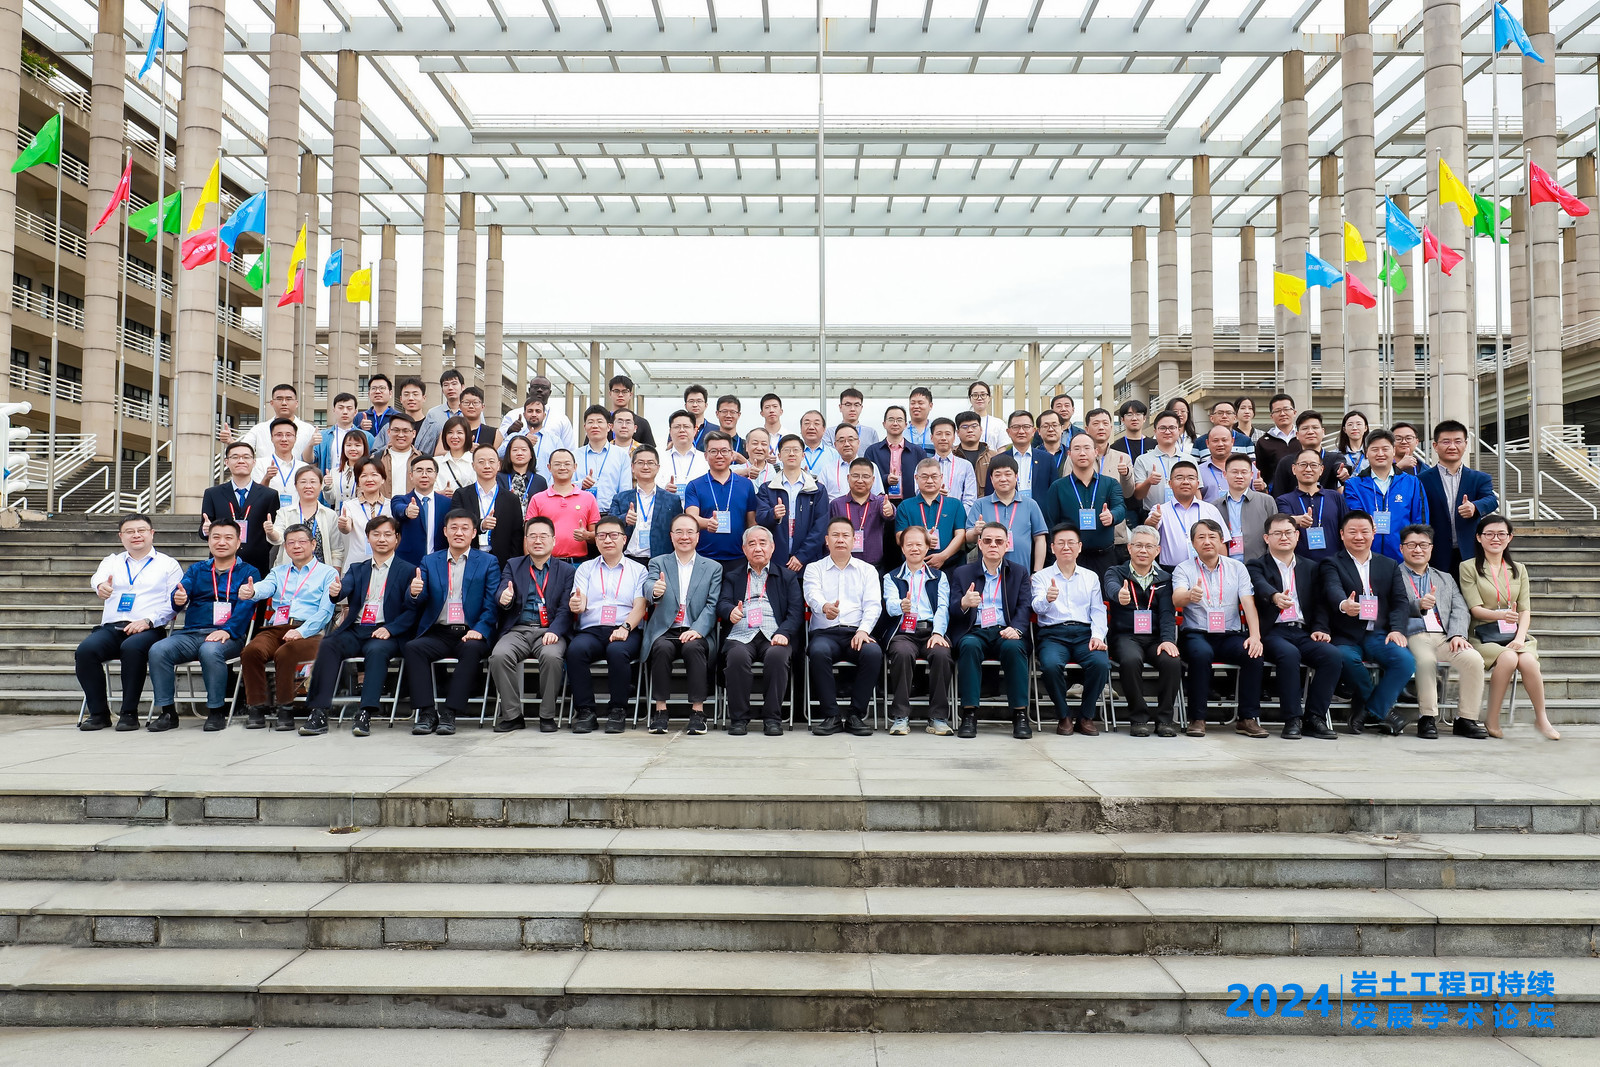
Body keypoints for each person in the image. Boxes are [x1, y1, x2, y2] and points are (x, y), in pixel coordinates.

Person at [297, 516, 417, 738]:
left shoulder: (408, 570)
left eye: (387, 534)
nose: (382, 539)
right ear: (368, 538)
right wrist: (336, 592)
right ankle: (318, 712)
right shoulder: (357, 568)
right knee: (329, 644)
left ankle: (365, 713)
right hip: (357, 628)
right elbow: (344, 587)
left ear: (397, 539)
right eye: (376, 534)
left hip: (386, 631)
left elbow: (412, 610)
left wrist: (391, 629)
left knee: (376, 651)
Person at [76, 515, 185, 732]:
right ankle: (99, 713)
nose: (136, 535)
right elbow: (97, 578)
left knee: (132, 648)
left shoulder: (168, 564)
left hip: (148, 629)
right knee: (85, 651)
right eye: (130, 531)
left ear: (151, 533)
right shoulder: (112, 561)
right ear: (121, 536)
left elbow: (173, 603)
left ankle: (129, 713)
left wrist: (148, 621)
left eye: (141, 530)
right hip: (113, 627)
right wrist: (100, 586)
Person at [147, 520, 259, 733]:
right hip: (192, 634)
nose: (221, 542)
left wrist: (227, 630)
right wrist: (178, 598)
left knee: (210, 650)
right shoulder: (197, 569)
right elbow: (181, 592)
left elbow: (246, 607)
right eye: (216, 537)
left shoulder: (248, 572)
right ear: (209, 541)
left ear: (238, 543)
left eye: (228, 538)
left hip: (229, 636)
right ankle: (168, 712)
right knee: (159, 650)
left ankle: (216, 711)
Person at [402, 509, 499, 736]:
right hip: (439, 631)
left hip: (470, 631)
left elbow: (491, 604)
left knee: (472, 649)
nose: (459, 533)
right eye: (453, 528)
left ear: (474, 533)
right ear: (445, 531)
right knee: (413, 648)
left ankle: (449, 712)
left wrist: (480, 629)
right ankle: (427, 713)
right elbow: (418, 601)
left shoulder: (488, 562)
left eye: (465, 528)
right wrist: (414, 592)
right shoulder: (430, 561)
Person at [1320, 511, 1417, 736]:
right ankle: (1382, 710)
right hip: (1345, 634)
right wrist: (1344, 604)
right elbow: (1332, 589)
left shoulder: (1389, 564)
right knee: (1344, 657)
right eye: (1352, 532)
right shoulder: (1331, 563)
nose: (1359, 537)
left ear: (1374, 533)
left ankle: (1368, 710)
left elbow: (1400, 601)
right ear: (1342, 534)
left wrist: (1397, 629)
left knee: (1405, 661)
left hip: (1378, 633)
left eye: (1364, 531)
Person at [1461, 516, 1558, 740]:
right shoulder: (1468, 567)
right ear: (1479, 538)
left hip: (1513, 634)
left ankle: (1541, 718)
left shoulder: (1519, 569)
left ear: (1510, 538)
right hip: (1482, 635)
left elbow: (1525, 610)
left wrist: (1520, 637)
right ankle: (1492, 718)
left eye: (1501, 534)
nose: (1495, 538)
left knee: (1528, 661)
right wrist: (1501, 615)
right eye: (1489, 534)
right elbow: (1475, 609)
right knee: (1508, 658)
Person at [1248, 514, 1342, 740]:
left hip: (1302, 631)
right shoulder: (1255, 565)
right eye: (1277, 533)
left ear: (1297, 536)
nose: (1284, 537)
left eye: (1288, 532)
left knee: (1332, 656)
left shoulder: (1311, 567)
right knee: (1288, 654)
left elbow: (1320, 603)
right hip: (1272, 632)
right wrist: (1274, 596)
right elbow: (1259, 585)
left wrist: (1320, 628)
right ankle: (1292, 719)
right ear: (1266, 538)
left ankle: (1314, 718)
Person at [236, 523, 338, 732]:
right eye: (291, 542)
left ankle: (285, 709)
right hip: (277, 628)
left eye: (301, 542)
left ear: (313, 544)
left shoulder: (327, 573)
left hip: (310, 632)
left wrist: (301, 631)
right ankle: (257, 707)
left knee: (285, 653)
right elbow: (266, 587)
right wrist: (252, 591)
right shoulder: (278, 572)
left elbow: (325, 612)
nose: (296, 546)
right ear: (285, 547)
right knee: (251, 651)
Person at [1172, 519, 1266, 737]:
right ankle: (1197, 718)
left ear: (1222, 540)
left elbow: (1248, 603)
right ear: (1193, 543)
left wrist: (1255, 636)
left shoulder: (1237, 568)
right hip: (1196, 634)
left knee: (1253, 654)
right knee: (1200, 654)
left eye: (1212, 537)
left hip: (1229, 635)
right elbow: (1177, 598)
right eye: (1201, 537)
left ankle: (1247, 718)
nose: (1207, 541)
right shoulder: (1184, 568)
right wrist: (1189, 595)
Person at [1395, 523, 1485, 740]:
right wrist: (1417, 605)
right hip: (1413, 634)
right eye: (1412, 545)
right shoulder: (1393, 575)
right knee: (1426, 661)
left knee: (1473, 659)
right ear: (1401, 548)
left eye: (1423, 545)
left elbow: (1460, 608)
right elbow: (1390, 607)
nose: (1418, 549)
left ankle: (1466, 719)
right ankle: (1427, 717)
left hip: (1445, 637)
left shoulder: (1445, 578)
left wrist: (1458, 634)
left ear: (1431, 548)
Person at [488, 516, 575, 732]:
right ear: (525, 540)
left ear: (553, 540)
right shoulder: (513, 565)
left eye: (543, 536)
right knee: (499, 656)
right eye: (532, 536)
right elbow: (502, 589)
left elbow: (566, 608)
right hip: (518, 629)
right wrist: (504, 598)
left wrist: (555, 630)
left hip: (549, 630)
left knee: (552, 657)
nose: (538, 541)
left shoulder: (566, 571)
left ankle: (547, 716)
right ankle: (513, 715)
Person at [949, 521, 1034, 739]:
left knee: (1014, 648)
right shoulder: (962, 573)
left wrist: (1017, 629)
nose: (993, 545)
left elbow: (1025, 606)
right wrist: (964, 603)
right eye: (987, 541)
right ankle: (969, 714)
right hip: (975, 630)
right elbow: (952, 610)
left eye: (998, 541)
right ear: (979, 544)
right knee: (968, 646)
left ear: (1007, 544)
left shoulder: (1019, 572)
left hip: (1006, 630)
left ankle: (1020, 714)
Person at [565, 516, 649, 734]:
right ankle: (585, 711)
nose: (608, 540)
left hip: (626, 628)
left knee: (617, 651)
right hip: (592, 630)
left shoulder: (639, 570)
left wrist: (625, 628)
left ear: (624, 539)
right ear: (596, 540)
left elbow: (640, 606)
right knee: (575, 650)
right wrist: (576, 604)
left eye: (613, 535)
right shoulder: (585, 568)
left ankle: (617, 710)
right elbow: (579, 599)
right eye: (601, 536)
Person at [642, 513, 723, 734]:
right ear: (671, 536)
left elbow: (712, 605)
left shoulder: (713, 567)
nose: (684, 537)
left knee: (693, 648)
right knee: (661, 648)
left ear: (698, 536)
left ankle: (698, 712)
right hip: (666, 630)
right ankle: (660, 711)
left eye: (689, 532)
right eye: (679, 532)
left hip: (696, 630)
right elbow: (649, 586)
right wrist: (655, 591)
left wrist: (697, 629)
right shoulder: (658, 562)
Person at [803, 517, 884, 736]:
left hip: (855, 632)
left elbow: (873, 605)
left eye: (845, 535)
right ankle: (831, 716)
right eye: (835, 535)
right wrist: (824, 607)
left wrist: (863, 630)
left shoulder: (867, 570)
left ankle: (856, 715)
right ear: (826, 540)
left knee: (873, 652)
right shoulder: (814, 568)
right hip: (825, 633)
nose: (840, 540)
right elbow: (812, 594)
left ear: (854, 540)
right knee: (818, 652)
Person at [720, 526, 804, 735]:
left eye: (762, 543)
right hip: (741, 634)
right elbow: (722, 602)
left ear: (772, 547)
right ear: (744, 549)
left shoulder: (787, 577)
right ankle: (739, 719)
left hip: (774, 635)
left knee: (777, 656)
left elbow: (795, 612)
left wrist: (784, 633)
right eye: (752, 544)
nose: (757, 548)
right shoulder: (733, 576)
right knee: (737, 657)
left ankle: (772, 718)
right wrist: (730, 611)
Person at [1032, 526, 1112, 735]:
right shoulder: (1041, 577)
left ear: (1079, 547)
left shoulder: (1090, 577)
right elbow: (1037, 608)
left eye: (1071, 543)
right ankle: (1064, 715)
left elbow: (1098, 610)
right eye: (1060, 543)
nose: (1066, 547)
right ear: (1052, 548)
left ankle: (1086, 716)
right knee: (1050, 666)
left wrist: (1097, 636)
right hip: (1053, 635)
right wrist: (1047, 599)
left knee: (1100, 663)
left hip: (1084, 633)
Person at [1103, 525, 1181, 736]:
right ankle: (1138, 718)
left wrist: (1168, 640)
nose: (1143, 550)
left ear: (1157, 551)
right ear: (1129, 548)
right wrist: (1118, 595)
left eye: (1149, 546)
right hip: (1126, 637)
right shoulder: (1116, 572)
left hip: (1156, 638)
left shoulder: (1165, 578)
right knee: (1130, 660)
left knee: (1172, 661)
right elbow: (1110, 586)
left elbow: (1167, 613)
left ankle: (1165, 719)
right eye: (1138, 545)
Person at [882, 524, 953, 736]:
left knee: (942, 654)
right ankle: (900, 717)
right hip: (904, 631)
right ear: (902, 548)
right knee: (902, 653)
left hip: (931, 629)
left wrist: (938, 633)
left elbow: (943, 607)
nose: (914, 548)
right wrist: (901, 606)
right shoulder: (891, 577)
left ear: (927, 547)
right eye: (909, 544)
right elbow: (890, 605)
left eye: (919, 544)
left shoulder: (939, 577)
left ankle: (938, 717)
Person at [1420, 419, 1498, 575]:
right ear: (1435, 446)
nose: (1452, 446)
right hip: (1435, 553)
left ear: (1465, 444)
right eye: (1446, 442)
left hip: (1469, 551)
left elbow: (1491, 500)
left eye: (1457, 441)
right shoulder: (1422, 480)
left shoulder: (1479, 478)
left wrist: (1475, 507)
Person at [1039, 434, 1123, 575]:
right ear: (1069, 454)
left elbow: (1120, 507)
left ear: (1095, 452)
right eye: (1077, 449)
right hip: (1070, 559)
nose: (1082, 453)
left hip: (1104, 557)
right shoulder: (1058, 487)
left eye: (1087, 448)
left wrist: (1112, 516)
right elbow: (1051, 523)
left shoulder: (1110, 483)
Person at [1343, 430, 1429, 561]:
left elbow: (1420, 522)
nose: (1380, 454)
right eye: (1375, 449)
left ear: (1393, 451)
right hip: (1365, 558)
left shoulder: (1412, 483)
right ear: (1366, 452)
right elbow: (1355, 519)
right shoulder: (1354, 485)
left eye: (1385, 449)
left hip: (1403, 559)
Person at [200, 442, 280, 577]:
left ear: (254, 462)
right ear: (226, 462)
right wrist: (206, 530)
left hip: (257, 563)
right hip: (221, 564)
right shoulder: (213, 494)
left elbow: (274, 533)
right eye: (235, 457)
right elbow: (203, 532)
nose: (241, 461)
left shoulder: (269, 495)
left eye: (246, 457)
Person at [685, 431, 760, 573]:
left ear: (732, 455)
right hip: (704, 558)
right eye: (713, 451)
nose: (719, 455)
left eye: (724, 451)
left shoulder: (746, 485)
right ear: (706, 456)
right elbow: (691, 518)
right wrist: (707, 523)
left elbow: (752, 523)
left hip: (739, 558)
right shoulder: (695, 485)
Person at [756, 434, 829, 574]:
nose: (791, 454)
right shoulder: (767, 488)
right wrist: (773, 514)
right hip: (775, 560)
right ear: (779, 455)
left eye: (796, 450)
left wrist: (801, 557)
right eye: (786, 450)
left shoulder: (817, 489)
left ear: (803, 455)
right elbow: (760, 518)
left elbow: (820, 527)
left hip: (808, 562)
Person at [449, 443, 525, 567]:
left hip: (501, 562)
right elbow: (455, 523)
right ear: (473, 465)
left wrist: (512, 566)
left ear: (498, 465)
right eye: (481, 462)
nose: (487, 466)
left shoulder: (511, 499)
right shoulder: (461, 495)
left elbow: (516, 536)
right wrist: (481, 525)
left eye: (491, 461)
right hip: (468, 559)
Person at [969, 455, 1049, 574]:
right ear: (991, 479)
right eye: (997, 475)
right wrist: (975, 531)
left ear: (1016, 477)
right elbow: (968, 537)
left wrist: (1037, 572)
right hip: (988, 574)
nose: (1003, 479)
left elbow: (1040, 539)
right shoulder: (980, 504)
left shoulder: (1030, 504)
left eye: (1007, 474)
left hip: (1021, 573)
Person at [895, 458, 969, 583]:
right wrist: (923, 538)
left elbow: (961, 535)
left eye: (934, 476)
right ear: (916, 478)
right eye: (924, 477)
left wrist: (943, 556)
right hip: (915, 569)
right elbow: (899, 537)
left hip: (950, 566)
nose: (929, 481)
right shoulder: (905, 506)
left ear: (941, 477)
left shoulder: (955, 504)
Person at [1145, 461, 1226, 570]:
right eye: (1179, 478)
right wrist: (1152, 522)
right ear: (1170, 483)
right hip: (1171, 570)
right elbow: (1149, 531)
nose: (1185, 482)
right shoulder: (1160, 510)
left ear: (1197, 483)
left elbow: (1221, 543)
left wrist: (1222, 570)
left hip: (1207, 569)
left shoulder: (1211, 509)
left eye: (1191, 478)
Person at [610, 446, 684, 566]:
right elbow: (609, 525)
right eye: (640, 462)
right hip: (627, 560)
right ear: (632, 467)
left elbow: (678, 530)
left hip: (660, 561)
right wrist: (625, 519)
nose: (645, 467)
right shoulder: (620, 498)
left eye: (650, 463)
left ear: (657, 467)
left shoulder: (672, 500)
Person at [526, 449, 601, 564]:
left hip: (578, 563)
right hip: (546, 563)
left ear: (575, 467)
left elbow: (597, 534)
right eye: (557, 464)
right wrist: (529, 564)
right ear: (549, 467)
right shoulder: (537, 499)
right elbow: (528, 535)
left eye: (567, 464)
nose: (562, 468)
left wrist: (587, 535)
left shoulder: (588, 498)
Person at [1275, 450, 1347, 563]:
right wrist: (1296, 520)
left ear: (1321, 470)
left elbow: (1346, 526)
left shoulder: (1335, 497)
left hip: (1334, 564)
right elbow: (1282, 522)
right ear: (1294, 469)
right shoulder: (1284, 500)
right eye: (1303, 464)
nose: (1308, 469)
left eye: (1313, 465)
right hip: (1300, 565)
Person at [266, 464, 343, 570]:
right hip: (290, 572)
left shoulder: (330, 515)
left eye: (313, 482)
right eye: (303, 482)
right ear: (296, 486)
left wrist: (335, 574)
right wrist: (270, 532)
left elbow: (337, 551)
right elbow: (278, 538)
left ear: (321, 485)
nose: (308, 486)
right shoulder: (285, 512)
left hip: (321, 574)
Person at [219, 382, 315, 463]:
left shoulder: (309, 430)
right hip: (265, 476)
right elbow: (244, 449)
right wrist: (230, 441)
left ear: (296, 403)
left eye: (288, 399)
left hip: (298, 478)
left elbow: (315, 459)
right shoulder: (259, 429)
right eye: (279, 399)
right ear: (272, 403)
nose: (284, 403)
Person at [830, 457, 897, 568]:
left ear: (873, 480)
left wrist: (890, 511)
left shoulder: (879, 502)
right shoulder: (836, 504)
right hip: (843, 565)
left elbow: (889, 513)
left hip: (874, 565)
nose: (860, 480)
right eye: (855, 476)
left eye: (865, 476)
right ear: (848, 478)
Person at [1268, 410, 1351, 497]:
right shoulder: (1286, 462)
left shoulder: (1334, 458)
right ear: (1297, 435)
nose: (1310, 432)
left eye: (1315, 427)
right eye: (1305, 428)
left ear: (1323, 432)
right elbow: (1278, 494)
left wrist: (1343, 471)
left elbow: (1340, 466)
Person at [392, 455, 453, 566]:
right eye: (419, 471)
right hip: (408, 563)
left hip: (439, 562)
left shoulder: (447, 503)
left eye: (429, 471)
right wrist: (407, 511)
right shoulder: (401, 499)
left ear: (436, 475)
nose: (424, 475)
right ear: (411, 475)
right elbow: (398, 509)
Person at [1217, 453, 1276, 562]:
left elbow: (1274, 533)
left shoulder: (1266, 501)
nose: (1239, 476)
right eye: (1234, 472)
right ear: (1225, 474)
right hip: (1226, 564)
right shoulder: (1215, 506)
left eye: (1244, 472)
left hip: (1259, 564)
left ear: (1251, 475)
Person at [986, 410, 1056, 501]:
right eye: (1016, 427)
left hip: (1039, 509)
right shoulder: (997, 460)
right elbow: (989, 494)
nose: (1021, 431)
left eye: (1026, 427)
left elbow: (1054, 493)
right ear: (1008, 432)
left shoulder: (1047, 459)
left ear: (1033, 431)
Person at [335, 458, 392, 568]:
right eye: (364, 475)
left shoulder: (391, 505)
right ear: (358, 482)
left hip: (385, 565)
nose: (369, 479)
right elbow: (346, 528)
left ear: (383, 479)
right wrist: (343, 525)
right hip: (357, 565)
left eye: (374, 475)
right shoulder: (349, 505)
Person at [575, 406, 628, 512]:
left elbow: (625, 491)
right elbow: (564, 486)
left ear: (609, 427)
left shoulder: (621, 455)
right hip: (580, 513)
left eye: (599, 422)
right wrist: (581, 484)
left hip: (611, 514)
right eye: (590, 422)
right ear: (585, 427)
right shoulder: (574, 455)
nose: (595, 426)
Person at [1130, 410, 1187, 508]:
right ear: (1155, 431)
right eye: (1162, 428)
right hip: (1154, 514)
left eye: (1172, 428)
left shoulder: (1189, 460)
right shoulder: (1142, 460)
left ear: (1179, 430)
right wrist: (1148, 482)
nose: (1167, 432)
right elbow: (1138, 495)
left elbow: (1197, 492)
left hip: (1185, 512)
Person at [306, 392, 373, 474]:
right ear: (334, 410)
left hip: (357, 480)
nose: (345, 412)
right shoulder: (323, 436)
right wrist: (310, 445)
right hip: (330, 479)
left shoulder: (367, 437)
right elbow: (309, 460)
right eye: (340, 408)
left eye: (349, 408)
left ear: (355, 412)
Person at [823, 424, 885, 499]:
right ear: (835, 445)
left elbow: (878, 496)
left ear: (858, 443)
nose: (846, 444)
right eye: (841, 441)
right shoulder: (827, 469)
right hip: (835, 506)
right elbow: (821, 497)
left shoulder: (871, 467)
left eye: (851, 440)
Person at [928, 417, 978, 510]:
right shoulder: (924, 466)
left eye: (948, 434)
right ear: (931, 438)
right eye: (939, 434)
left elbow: (970, 499)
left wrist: (958, 515)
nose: (943, 438)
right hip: (930, 514)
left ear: (954, 438)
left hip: (958, 516)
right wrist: (932, 494)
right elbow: (918, 493)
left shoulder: (965, 466)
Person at [415, 368, 466, 457]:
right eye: (446, 385)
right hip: (439, 460)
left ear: (462, 387)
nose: (450, 388)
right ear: (442, 390)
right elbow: (424, 442)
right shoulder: (433, 413)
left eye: (454, 384)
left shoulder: (471, 412)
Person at [254, 418, 305, 503]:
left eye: (288, 435)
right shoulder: (259, 464)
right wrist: (267, 478)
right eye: (279, 435)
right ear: (271, 438)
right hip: (269, 511)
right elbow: (255, 496)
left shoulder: (304, 467)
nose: (284, 439)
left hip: (297, 511)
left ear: (295, 438)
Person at [322, 428, 374, 511]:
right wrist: (328, 486)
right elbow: (331, 501)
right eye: (348, 445)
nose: (353, 449)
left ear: (364, 448)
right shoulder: (334, 472)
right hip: (340, 515)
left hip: (363, 514)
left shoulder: (371, 472)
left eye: (357, 445)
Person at [662, 409, 709, 498]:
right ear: (670, 432)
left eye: (686, 426)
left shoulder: (706, 459)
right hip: (667, 504)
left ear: (695, 430)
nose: (682, 430)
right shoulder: (659, 459)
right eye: (677, 427)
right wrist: (663, 490)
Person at [1253, 393, 1299, 478]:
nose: (1282, 414)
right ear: (1271, 416)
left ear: (1294, 412)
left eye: (1286, 409)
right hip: (1276, 486)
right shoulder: (1263, 442)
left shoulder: (1303, 437)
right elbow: (1262, 473)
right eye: (1277, 411)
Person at [499, 435, 548, 512]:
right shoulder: (499, 478)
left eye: (524, 450)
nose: (519, 453)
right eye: (515, 450)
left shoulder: (540, 481)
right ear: (509, 454)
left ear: (531, 454)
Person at [382, 377, 431, 452]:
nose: (411, 398)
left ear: (424, 398)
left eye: (415, 394)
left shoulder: (434, 428)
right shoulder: (389, 427)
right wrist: (387, 448)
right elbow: (374, 453)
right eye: (406, 394)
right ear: (401, 399)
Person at [377, 415, 420, 497]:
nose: (400, 435)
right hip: (384, 504)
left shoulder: (422, 459)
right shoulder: (377, 458)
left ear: (413, 433)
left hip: (413, 504)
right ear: (388, 432)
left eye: (405, 431)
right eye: (396, 430)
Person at [797, 409, 841, 486]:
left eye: (816, 424)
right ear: (801, 428)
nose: (811, 427)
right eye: (807, 423)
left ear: (824, 429)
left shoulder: (834, 454)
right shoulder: (793, 454)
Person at [432, 417, 475, 496]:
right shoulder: (435, 462)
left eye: (459, 433)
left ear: (467, 436)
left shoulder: (475, 461)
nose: (454, 436)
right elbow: (427, 492)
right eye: (450, 432)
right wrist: (440, 494)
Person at [608, 374, 654, 446]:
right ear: (610, 394)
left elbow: (650, 449)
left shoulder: (642, 423)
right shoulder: (602, 421)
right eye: (616, 391)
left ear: (630, 395)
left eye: (624, 391)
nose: (620, 395)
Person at [1194, 426, 1236, 503]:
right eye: (1215, 440)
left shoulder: (1246, 467)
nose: (1220, 444)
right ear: (1207, 443)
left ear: (1232, 441)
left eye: (1224, 440)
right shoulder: (1198, 471)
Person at [954, 411, 993, 491]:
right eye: (965, 427)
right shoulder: (952, 456)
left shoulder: (993, 457)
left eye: (974, 426)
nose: (970, 430)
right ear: (957, 432)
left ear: (981, 429)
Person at [964, 380, 1009, 450]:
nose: (979, 398)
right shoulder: (963, 423)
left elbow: (1001, 450)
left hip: (993, 457)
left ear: (989, 398)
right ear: (970, 399)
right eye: (975, 395)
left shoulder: (999, 424)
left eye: (983, 395)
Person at [359, 373, 395, 441]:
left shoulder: (398, 417)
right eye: (373, 388)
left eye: (382, 388)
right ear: (369, 394)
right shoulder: (359, 417)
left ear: (390, 393)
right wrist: (360, 428)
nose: (377, 391)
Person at [1336, 410, 1370, 476]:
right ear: (1344, 429)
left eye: (1358, 424)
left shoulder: (1372, 453)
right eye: (1350, 424)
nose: (1354, 428)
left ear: (1365, 428)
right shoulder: (1336, 454)